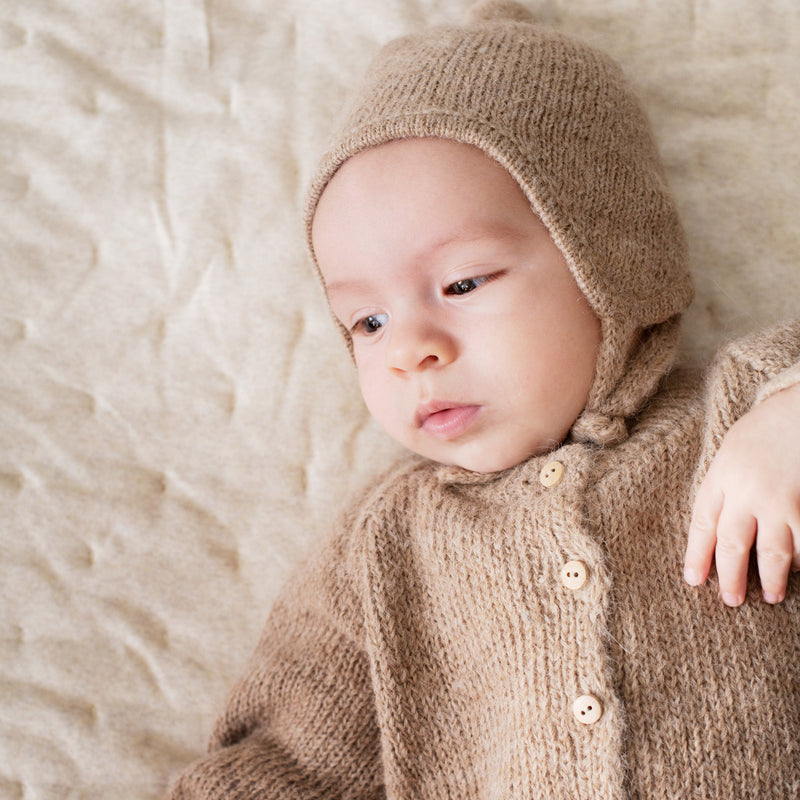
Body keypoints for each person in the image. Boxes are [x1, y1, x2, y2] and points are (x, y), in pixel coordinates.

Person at [167, 2, 800, 797]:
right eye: (367, 322)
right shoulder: (390, 543)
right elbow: (291, 760)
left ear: (613, 257)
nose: (410, 349)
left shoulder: (739, 413)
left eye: (463, 283)